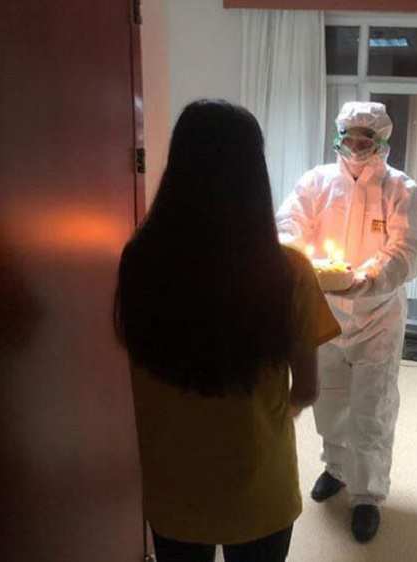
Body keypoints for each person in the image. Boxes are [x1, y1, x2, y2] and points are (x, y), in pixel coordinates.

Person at [114, 99, 340, 562]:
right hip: (259, 487)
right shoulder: (289, 271)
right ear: (253, 177)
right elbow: (309, 389)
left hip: (173, 490)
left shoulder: (140, 261)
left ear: (178, 168)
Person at [276, 101, 417, 543]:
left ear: (382, 140)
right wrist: (307, 264)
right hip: (324, 312)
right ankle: (336, 469)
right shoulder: (315, 182)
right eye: (351, 136)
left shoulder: (401, 188)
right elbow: (288, 227)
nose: (357, 145)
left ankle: (366, 496)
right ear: (338, 135)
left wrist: (369, 276)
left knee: (372, 408)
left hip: (378, 315)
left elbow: (411, 246)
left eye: (367, 137)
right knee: (329, 401)